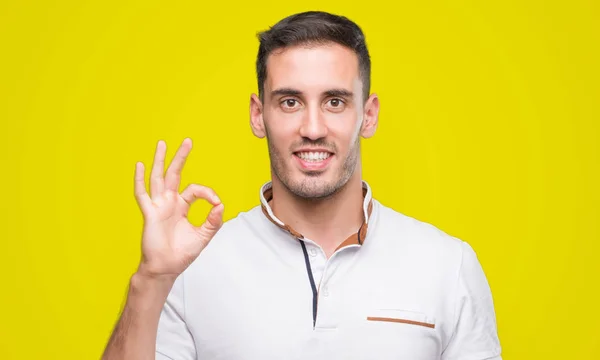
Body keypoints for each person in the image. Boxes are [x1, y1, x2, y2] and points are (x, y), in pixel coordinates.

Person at [101, 10, 502, 360]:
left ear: (369, 114)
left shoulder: (448, 266)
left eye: (335, 102)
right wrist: (151, 280)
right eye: (290, 102)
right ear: (259, 116)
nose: (312, 129)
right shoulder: (187, 267)